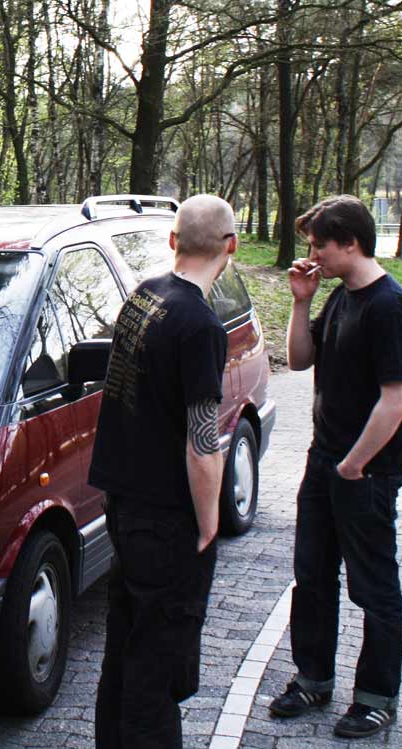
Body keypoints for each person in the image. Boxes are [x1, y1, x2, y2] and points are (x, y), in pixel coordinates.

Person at [271, 194, 402, 739]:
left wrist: (355, 464)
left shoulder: (389, 306)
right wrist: (300, 302)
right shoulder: (340, 297)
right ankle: (312, 679)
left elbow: (397, 399)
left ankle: (376, 698)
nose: (313, 256)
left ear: (351, 243)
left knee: (373, 587)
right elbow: (299, 360)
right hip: (324, 461)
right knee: (312, 576)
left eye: (320, 246)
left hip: (366, 473)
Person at [91, 194, 237, 749]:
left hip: (124, 506)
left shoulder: (142, 296)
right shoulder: (200, 326)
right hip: (166, 520)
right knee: (157, 668)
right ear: (231, 246)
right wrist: (208, 523)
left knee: (124, 651)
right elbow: (202, 441)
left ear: (173, 241)